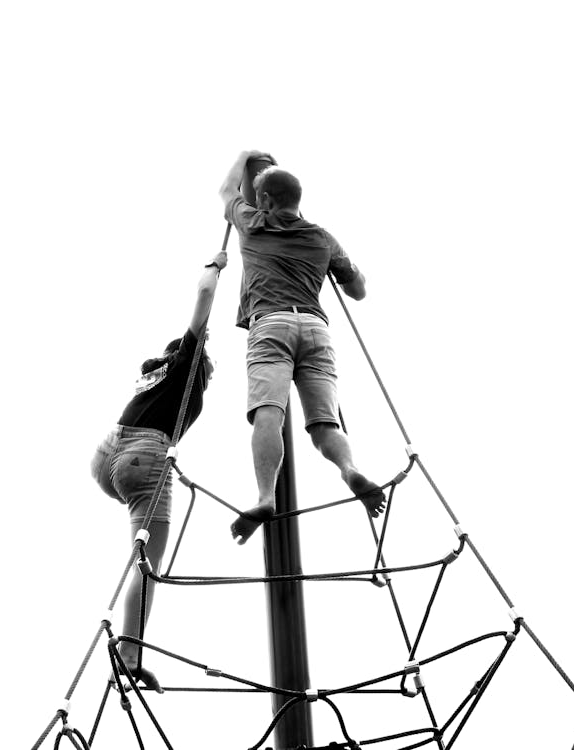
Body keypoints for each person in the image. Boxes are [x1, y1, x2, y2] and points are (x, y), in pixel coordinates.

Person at [218, 150, 386, 545]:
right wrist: (344, 269)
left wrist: (245, 155)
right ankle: (349, 469)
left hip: (272, 324)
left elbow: (225, 190)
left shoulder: (252, 223)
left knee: (268, 415)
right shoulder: (320, 236)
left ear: (267, 201)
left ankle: (264, 497)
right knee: (325, 425)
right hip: (315, 329)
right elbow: (358, 291)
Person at [89, 251, 224, 692]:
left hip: (108, 453)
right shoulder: (189, 362)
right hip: (144, 456)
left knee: (141, 541)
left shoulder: (156, 373)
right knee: (146, 564)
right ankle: (130, 652)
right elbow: (204, 294)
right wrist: (215, 266)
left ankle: (131, 645)